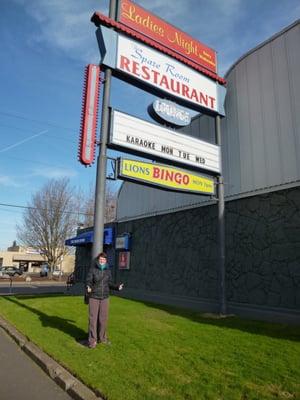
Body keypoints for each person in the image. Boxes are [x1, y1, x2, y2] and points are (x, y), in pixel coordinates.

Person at [85, 251, 124, 348]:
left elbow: (109, 283)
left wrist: (117, 287)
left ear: (106, 261)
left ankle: (102, 338)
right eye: (101, 259)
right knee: (93, 319)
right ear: (98, 260)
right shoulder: (93, 270)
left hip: (105, 297)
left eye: (104, 259)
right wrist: (88, 286)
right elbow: (88, 280)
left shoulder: (108, 271)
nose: (102, 261)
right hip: (94, 296)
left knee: (103, 319)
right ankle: (92, 340)